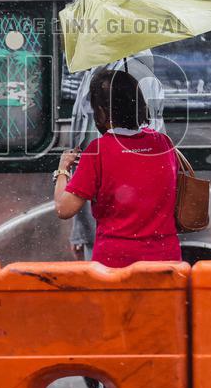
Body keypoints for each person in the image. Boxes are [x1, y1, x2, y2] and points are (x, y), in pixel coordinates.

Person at [53, 69, 180, 268]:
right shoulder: (163, 143)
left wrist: (63, 170)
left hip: (115, 261)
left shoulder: (98, 151)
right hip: (165, 260)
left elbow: (64, 208)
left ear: (102, 112)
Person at [67, 52, 166, 260]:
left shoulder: (121, 76)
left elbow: (83, 156)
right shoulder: (97, 69)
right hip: (124, 234)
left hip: (115, 240)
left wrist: (61, 171)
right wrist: (81, 231)